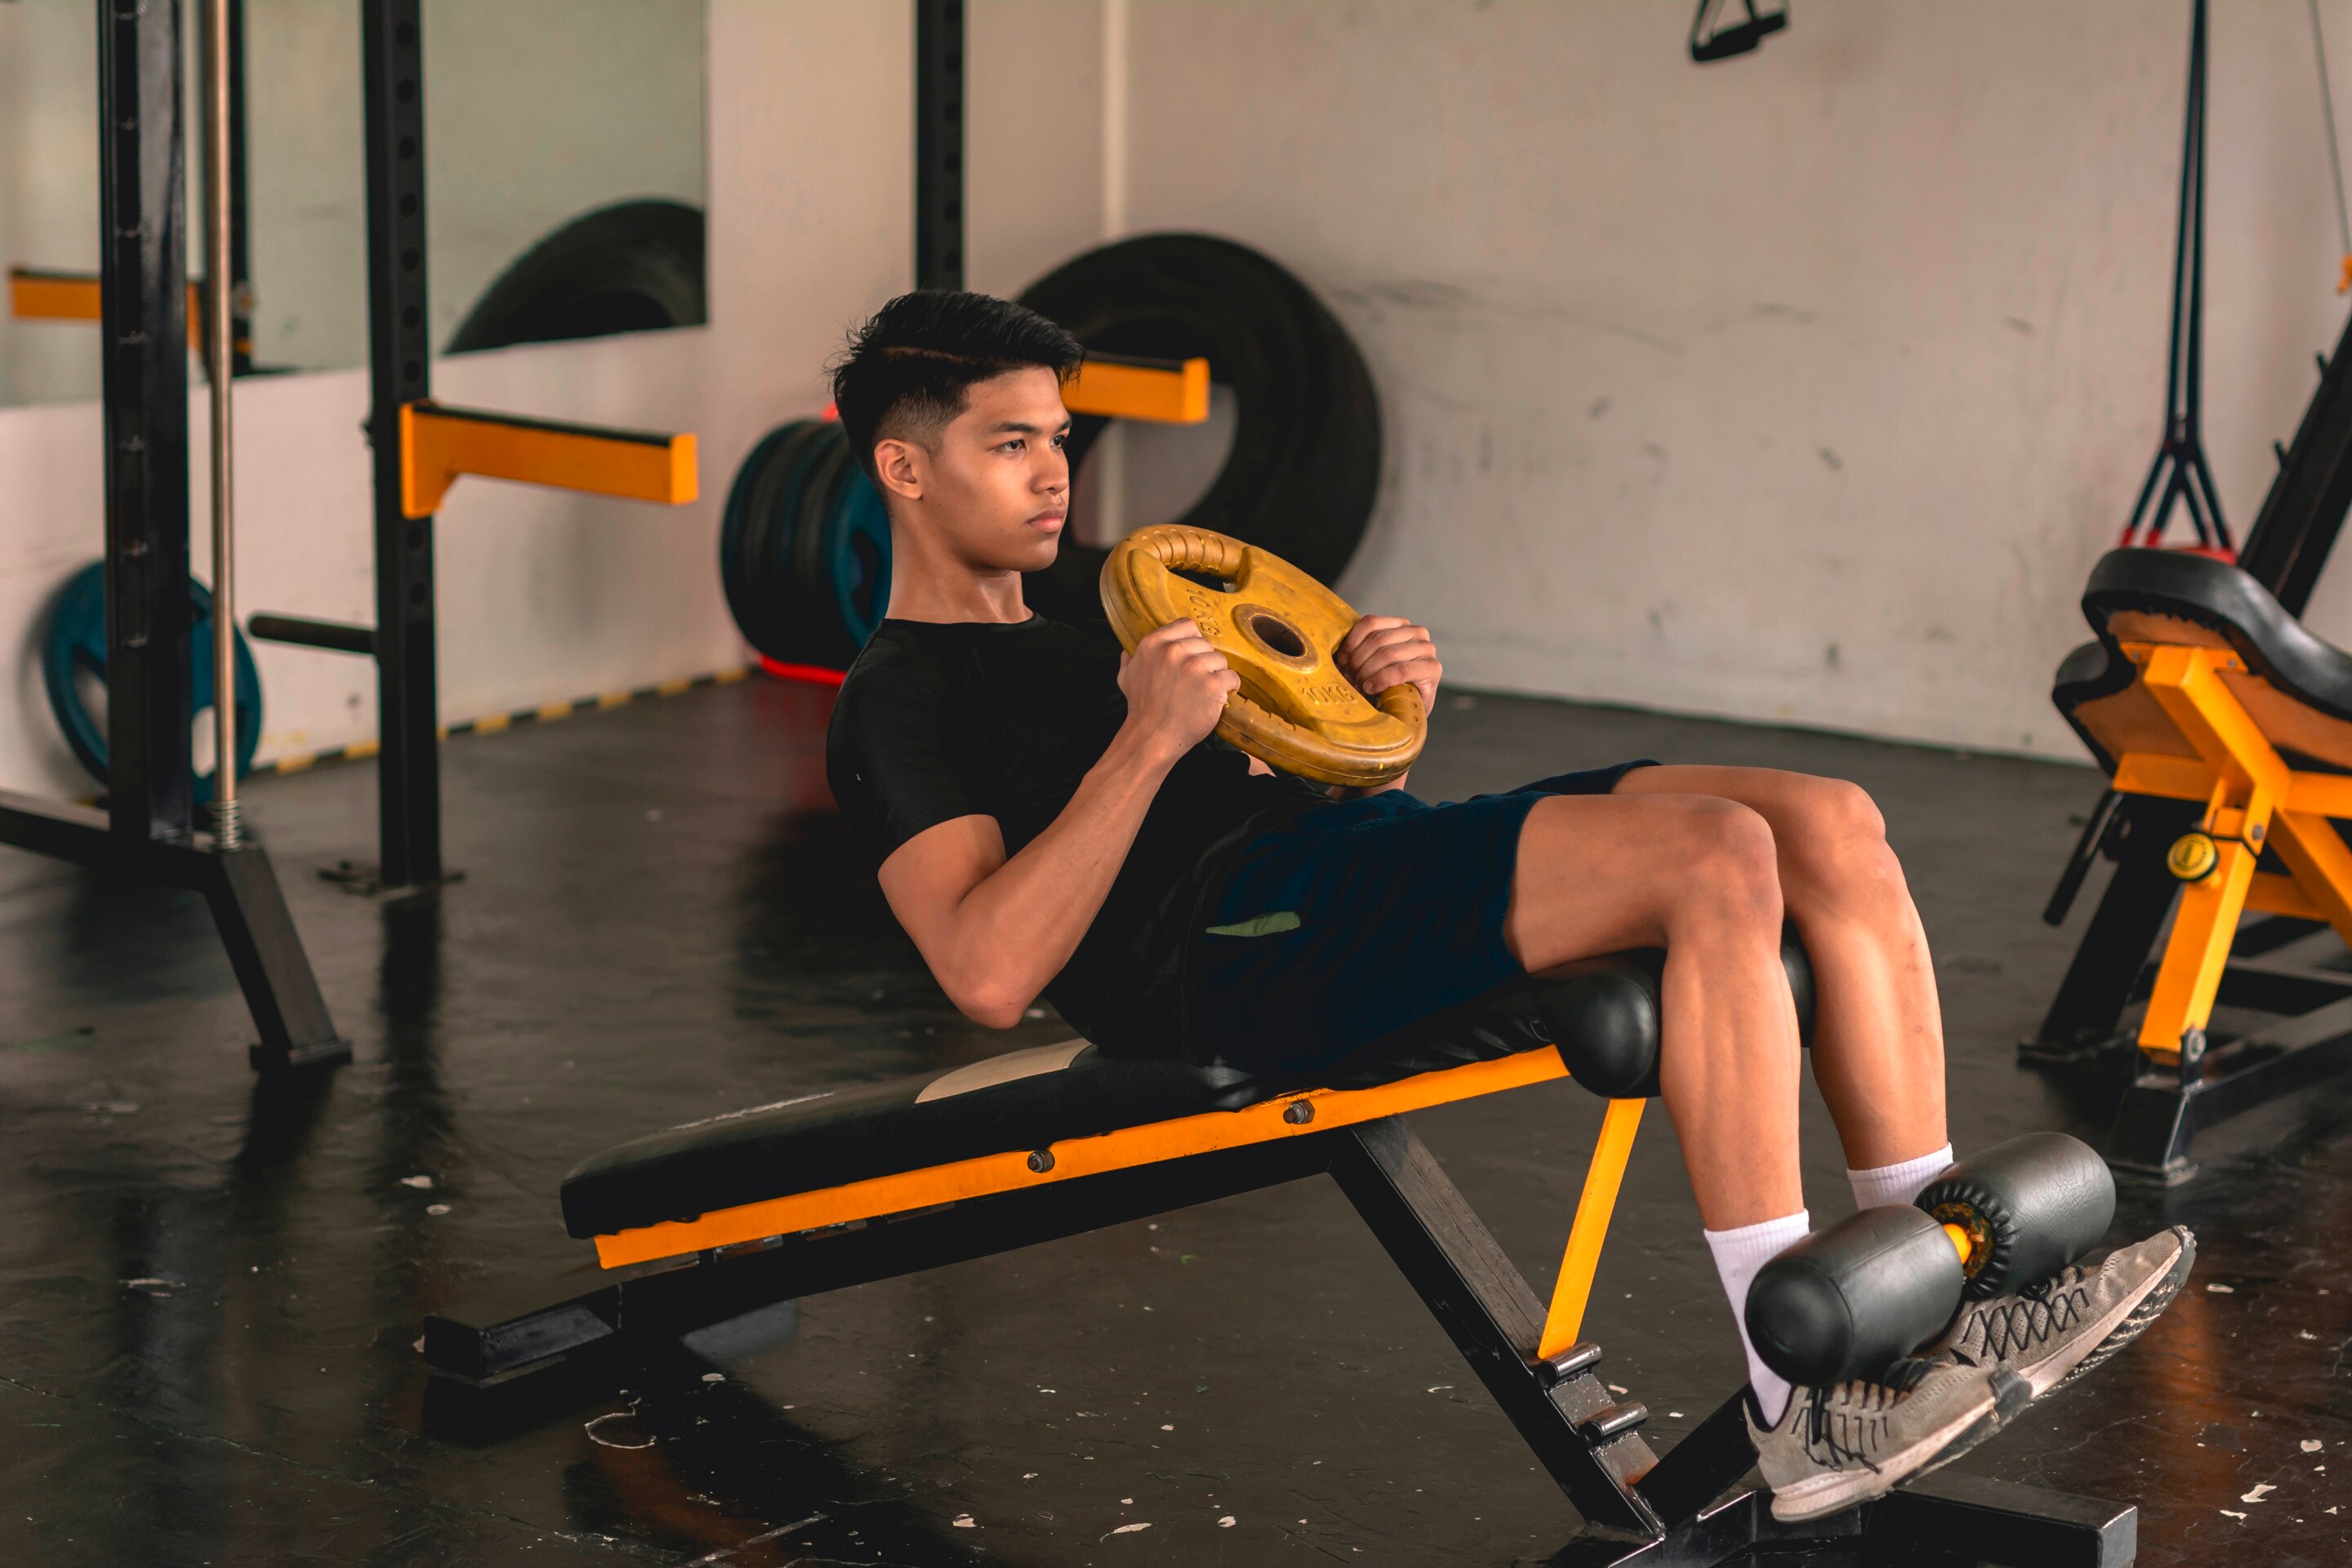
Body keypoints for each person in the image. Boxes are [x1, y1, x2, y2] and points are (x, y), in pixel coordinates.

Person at [820, 290, 2192, 1521]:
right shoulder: (897, 698)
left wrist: (1375, 711)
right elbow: (987, 970)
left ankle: (1949, 1304)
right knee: (1713, 854)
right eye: (1012, 445)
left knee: (1826, 820)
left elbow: (1277, 787)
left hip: (1337, 870)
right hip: (1225, 956)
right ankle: (1803, 1409)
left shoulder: (1080, 635)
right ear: (905, 465)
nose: (1056, 472)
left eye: (1061, 439)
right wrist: (1147, 742)